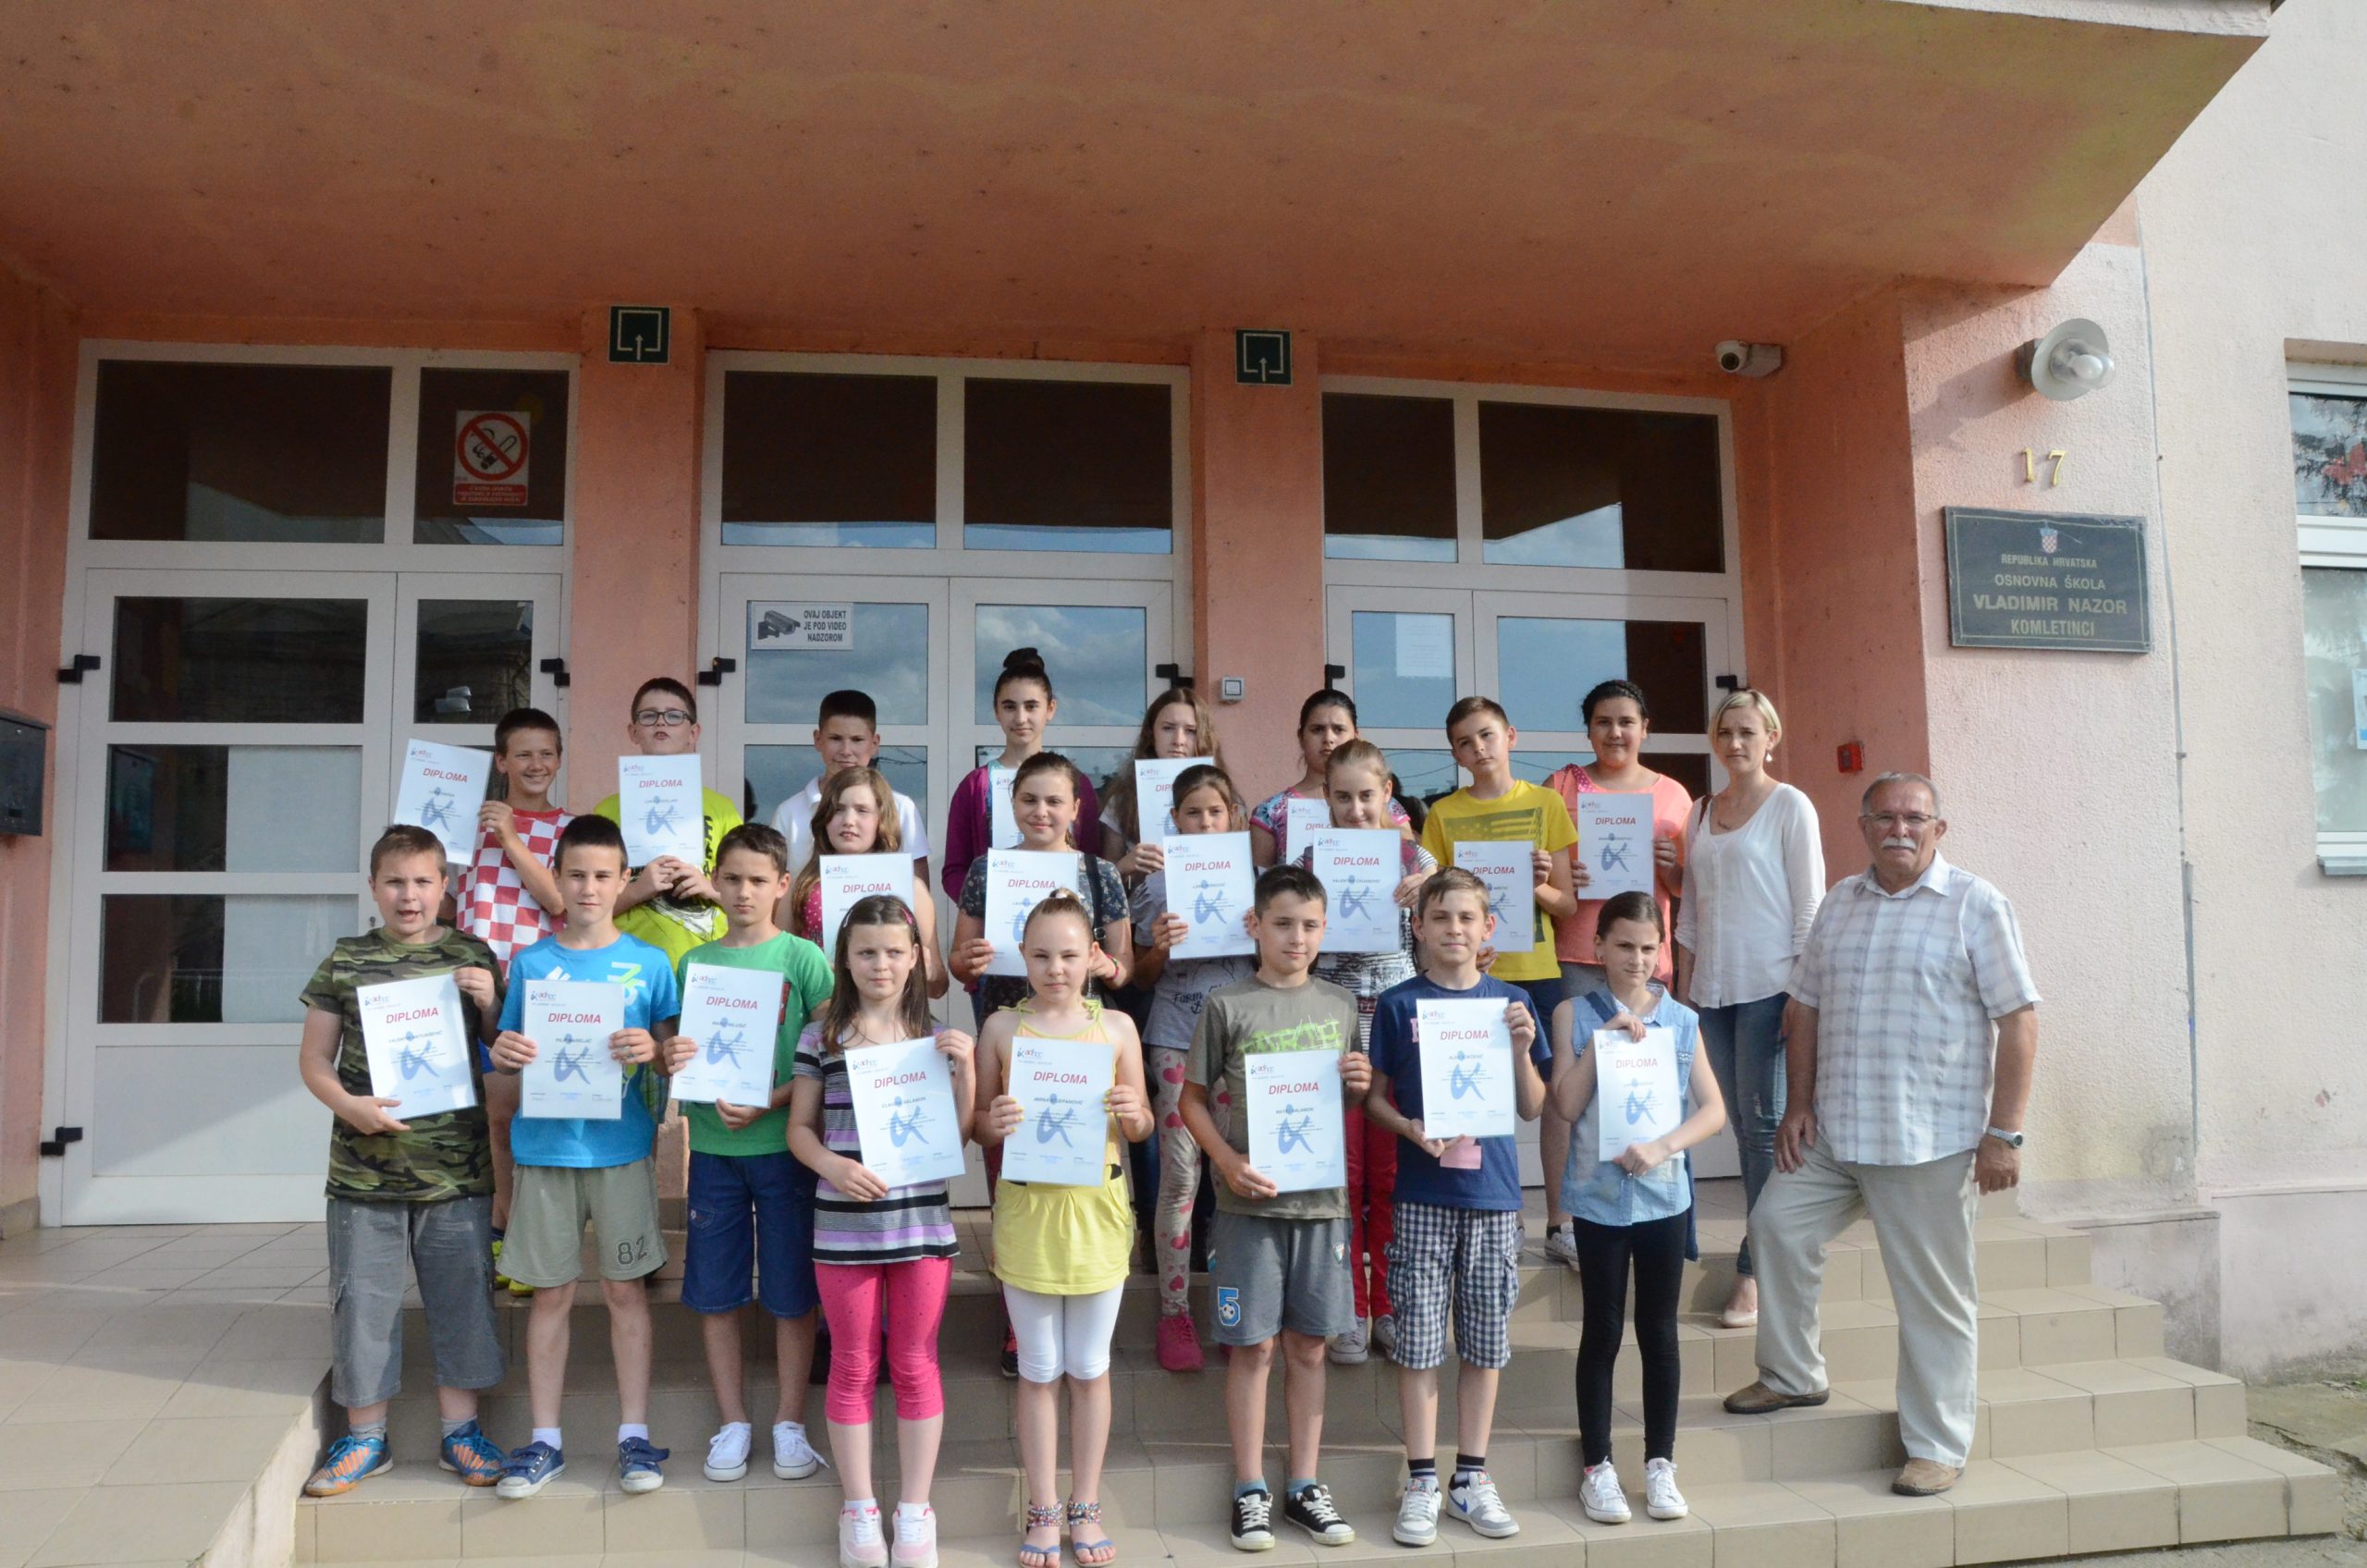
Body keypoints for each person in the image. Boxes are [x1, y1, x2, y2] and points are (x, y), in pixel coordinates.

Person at [1723, 773, 2039, 1501]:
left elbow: (2019, 1020)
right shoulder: (1840, 902)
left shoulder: (1976, 905)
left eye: (1914, 818)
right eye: (1885, 817)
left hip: (1928, 1140)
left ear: (1938, 829)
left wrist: (2005, 1134)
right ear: (1863, 826)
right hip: (1835, 1132)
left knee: (1932, 1299)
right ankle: (1793, 1375)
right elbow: (1804, 1008)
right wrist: (1798, 1104)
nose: (1900, 829)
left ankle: (1937, 1446)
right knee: (1775, 1226)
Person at [296, 825, 509, 1497]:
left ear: (445, 886)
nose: (408, 895)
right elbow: (313, 1060)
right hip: (364, 1173)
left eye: (422, 882)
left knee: (464, 1299)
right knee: (363, 1305)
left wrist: (490, 1000)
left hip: (457, 1172)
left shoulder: (471, 954)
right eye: (395, 882)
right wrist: (349, 1105)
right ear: (373, 888)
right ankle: (365, 1438)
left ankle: (461, 1432)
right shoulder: (346, 960)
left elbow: (502, 1046)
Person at [484, 815, 682, 1499]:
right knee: (552, 1295)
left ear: (624, 880)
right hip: (545, 1150)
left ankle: (634, 1435)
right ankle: (545, 1440)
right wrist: (504, 1052)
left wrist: (654, 1050)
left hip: (621, 1149)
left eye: (602, 875)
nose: (589, 888)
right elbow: (509, 1052)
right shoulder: (531, 963)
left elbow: (672, 1050)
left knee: (626, 1291)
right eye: (576, 875)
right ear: (557, 880)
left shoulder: (650, 963)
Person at [1182, 864, 1373, 1552]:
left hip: (1321, 1207)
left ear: (1325, 930)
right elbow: (1191, 1100)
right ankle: (1249, 1487)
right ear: (1254, 926)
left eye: (1310, 925)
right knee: (1253, 1347)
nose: (1297, 938)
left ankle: (1304, 1485)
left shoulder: (1340, 1005)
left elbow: (1343, 1097)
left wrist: (1359, 1082)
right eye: (1283, 923)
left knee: (1310, 1347)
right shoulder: (1226, 1004)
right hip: (1247, 1208)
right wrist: (1226, 1161)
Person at [789, 893, 976, 1568]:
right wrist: (832, 1165)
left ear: (917, 957)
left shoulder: (935, 1040)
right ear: (844, 958)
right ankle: (860, 1508)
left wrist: (967, 1071)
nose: (881, 964)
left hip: (919, 1226)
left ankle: (915, 1510)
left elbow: (956, 1138)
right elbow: (799, 1129)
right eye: (866, 951)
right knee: (851, 1363)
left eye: (895, 952)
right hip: (843, 1231)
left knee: (916, 1362)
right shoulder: (821, 1038)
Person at [1361, 869, 1544, 1547]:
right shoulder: (1398, 1004)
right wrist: (1410, 1129)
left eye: (1467, 918)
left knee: (1485, 1341)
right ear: (1418, 927)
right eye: (1440, 917)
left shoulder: (1512, 1002)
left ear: (1488, 927)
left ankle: (1471, 1475)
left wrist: (1521, 1048)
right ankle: (1421, 1479)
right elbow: (1374, 1099)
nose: (1454, 930)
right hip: (1421, 1195)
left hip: (1492, 1196)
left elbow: (1534, 1105)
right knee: (1417, 1343)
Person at [975, 891, 1154, 1568]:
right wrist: (995, 1120)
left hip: (1097, 1214)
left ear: (1093, 958)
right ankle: (1044, 1507)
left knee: (1090, 1366)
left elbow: (1142, 1126)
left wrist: (1133, 1111)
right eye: (1042, 955)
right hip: (1028, 1215)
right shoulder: (1001, 1029)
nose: (1056, 968)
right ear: (1023, 957)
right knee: (1040, 1367)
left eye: (1070, 955)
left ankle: (1086, 1504)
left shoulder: (1117, 1029)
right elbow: (977, 1126)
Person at [658, 823, 833, 1488]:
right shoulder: (695, 964)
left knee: (791, 1291)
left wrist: (775, 1099)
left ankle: (789, 1421)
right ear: (714, 881)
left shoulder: (802, 957)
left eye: (758, 880)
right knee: (716, 1289)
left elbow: (831, 1046)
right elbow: (679, 1048)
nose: (743, 892)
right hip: (713, 1148)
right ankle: (732, 1421)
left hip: (785, 1147)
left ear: (782, 885)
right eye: (730, 878)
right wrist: (674, 1053)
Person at [950, 749, 1134, 1375]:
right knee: (1012, 1172)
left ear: (1077, 808)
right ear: (1012, 805)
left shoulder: (1100, 873)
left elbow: (1125, 967)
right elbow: (957, 960)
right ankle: (1020, 1317)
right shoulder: (988, 869)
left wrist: (1106, 964)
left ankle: (1083, 1296)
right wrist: (972, 959)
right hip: (1009, 1034)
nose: (1041, 811)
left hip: (1081, 1042)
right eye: (1029, 799)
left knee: (1083, 1168)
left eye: (1055, 800)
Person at [1551, 891, 1727, 1527]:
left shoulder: (1681, 1020)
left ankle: (1660, 1462)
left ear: (1663, 953)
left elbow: (1713, 1110)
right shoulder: (1574, 1013)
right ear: (1598, 946)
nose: (1637, 959)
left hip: (1663, 1198)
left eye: (1649, 948)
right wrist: (1599, 1043)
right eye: (1624, 945)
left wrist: (1663, 1147)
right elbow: (1564, 1105)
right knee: (1601, 1331)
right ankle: (1597, 1466)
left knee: (1659, 1332)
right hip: (1598, 1200)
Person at [1673, 689, 1822, 1329]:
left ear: (1770, 738)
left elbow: (1809, 906)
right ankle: (1777, 1244)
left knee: (1764, 1131)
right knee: (1738, 1126)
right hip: (1712, 993)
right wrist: (1683, 993)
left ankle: (1756, 1269)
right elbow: (1690, 910)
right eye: (1726, 732)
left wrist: (1800, 997)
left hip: (1771, 989)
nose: (1735, 743)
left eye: (1748, 732)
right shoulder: (1702, 811)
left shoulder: (1790, 806)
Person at [1418, 696, 1579, 1263]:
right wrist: (1463, 953)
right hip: (1467, 978)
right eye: (1465, 742)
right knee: (1473, 1096)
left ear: (1510, 736)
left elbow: (1567, 903)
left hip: (1536, 973)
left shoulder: (1545, 803)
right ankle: (1494, 1216)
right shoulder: (1443, 815)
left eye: (1487, 735)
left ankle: (1559, 1222)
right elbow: (1436, 903)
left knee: (1550, 1099)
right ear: (1456, 754)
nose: (1479, 748)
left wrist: (1536, 884)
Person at [1541, 680, 1693, 1274]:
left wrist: (1672, 870)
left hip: (1645, 963)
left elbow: (1686, 889)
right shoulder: (1561, 786)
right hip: (1578, 954)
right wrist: (1562, 874)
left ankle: (1655, 1212)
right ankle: (1563, 1220)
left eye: (1626, 721)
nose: (1615, 732)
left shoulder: (1673, 794)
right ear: (1588, 730)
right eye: (1603, 721)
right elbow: (1540, 870)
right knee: (1569, 1091)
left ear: (1645, 728)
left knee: (1650, 1087)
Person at [1294, 739, 1435, 1366]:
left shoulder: (1416, 858)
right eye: (1343, 797)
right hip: (1332, 1035)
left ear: (1387, 795)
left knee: (1391, 1177)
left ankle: (1392, 1306)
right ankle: (1350, 1309)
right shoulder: (1308, 860)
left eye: (1366, 796)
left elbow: (1452, 931)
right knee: (1344, 1178)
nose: (1355, 810)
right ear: (1326, 797)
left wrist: (1428, 890)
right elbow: (1293, 939)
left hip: (1398, 1034)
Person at [1130, 763, 1260, 1372]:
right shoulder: (1156, 887)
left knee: (1233, 1176)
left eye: (1215, 811)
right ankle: (1174, 1311)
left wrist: (1261, 935)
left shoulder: (1257, 881)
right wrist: (1157, 947)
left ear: (1232, 816)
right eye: (1192, 813)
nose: (1205, 823)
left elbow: (1287, 962)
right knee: (1181, 1178)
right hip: (1176, 1042)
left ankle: (1234, 1312)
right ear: (1174, 819)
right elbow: (1137, 978)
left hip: (1239, 1046)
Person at [451, 706, 572, 1298]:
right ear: (500, 761)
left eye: (546, 753)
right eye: (523, 753)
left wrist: (511, 838)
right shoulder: (464, 825)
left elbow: (560, 901)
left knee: (534, 1115)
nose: (535, 764)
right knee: (497, 1117)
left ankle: (530, 1235)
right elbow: (443, 895)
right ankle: (505, 1229)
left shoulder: (570, 828)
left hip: (543, 985)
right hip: (477, 984)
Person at [593, 676, 744, 969]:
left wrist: (709, 888)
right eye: (649, 716)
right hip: (630, 964)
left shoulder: (722, 809)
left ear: (693, 732)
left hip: (707, 962)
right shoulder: (607, 812)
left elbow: (750, 895)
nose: (661, 723)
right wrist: (638, 890)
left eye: (674, 716)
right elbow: (588, 906)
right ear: (633, 732)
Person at [942, 649, 1103, 903]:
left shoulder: (1077, 783)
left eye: (1031, 706)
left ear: (1050, 709)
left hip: (1064, 919)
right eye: (1009, 707)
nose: (1020, 718)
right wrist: (987, 906)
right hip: (995, 921)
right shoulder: (975, 786)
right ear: (996, 711)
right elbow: (955, 870)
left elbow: (1092, 859)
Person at [785, 766, 949, 998]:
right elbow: (781, 969)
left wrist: (925, 971)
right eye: (838, 810)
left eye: (862, 810)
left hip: (890, 1017)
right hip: (819, 1014)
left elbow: (938, 987)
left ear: (881, 819)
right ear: (824, 818)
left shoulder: (911, 889)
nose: (848, 821)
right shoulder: (800, 888)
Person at [768, 689, 933, 888]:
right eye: (835, 739)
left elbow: (919, 888)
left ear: (874, 743)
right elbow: (774, 889)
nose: (846, 751)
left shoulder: (901, 807)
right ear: (818, 739)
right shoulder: (789, 813)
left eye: (857, 740)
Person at [1249, 690, 1415, 869]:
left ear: (1356, 736)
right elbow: (1261, 881)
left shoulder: (1387, 805)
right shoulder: (1270, 812)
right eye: (1317, 729)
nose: (1328, 738)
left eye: (1338, 729)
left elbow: (1411, 864)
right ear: (1301, 737)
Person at [1098, 685, 1228, 879]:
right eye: (1168, 728)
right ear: (1151, 734)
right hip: (1144, 897)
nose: (1178, 740)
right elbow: (1105, 881)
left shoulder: (1226, 798)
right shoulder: (1122, 800)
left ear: (1204, 737)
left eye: (1191, 731)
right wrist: (1124, 867)